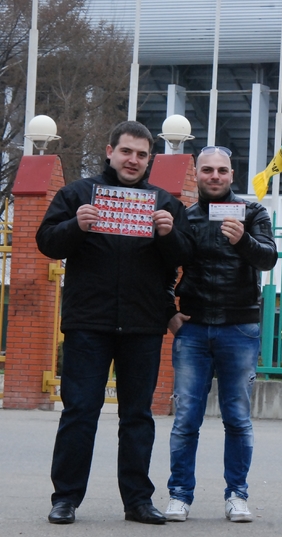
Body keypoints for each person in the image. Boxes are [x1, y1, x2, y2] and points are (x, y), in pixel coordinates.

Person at [36, 120, 195, 525]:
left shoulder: (164, 203)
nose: (133, 160)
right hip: (88, 324)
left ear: (150, 159)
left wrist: (168, 234)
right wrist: (75, 225)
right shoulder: (77, 195)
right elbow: (46, 242)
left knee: (138, 416)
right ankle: (65, 498)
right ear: (110, 152)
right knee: (79, 412)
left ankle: (138, 501)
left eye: (142, 154)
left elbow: (184, 258)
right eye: (126, 151)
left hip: (142, 326)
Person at [163, 145, 278, 522]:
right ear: (197, 174)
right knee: (185, 420)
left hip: (239, 328)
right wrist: (169, 314)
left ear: (232, 174)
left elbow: (268, 258)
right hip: (193, 329)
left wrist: (242, 239)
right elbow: (161, 266)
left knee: (238, 419)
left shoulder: (253, 212)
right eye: (207, 170)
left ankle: (237, 495)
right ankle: (179, 495)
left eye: (222, 170)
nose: (215, 176)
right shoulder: (185, 216)